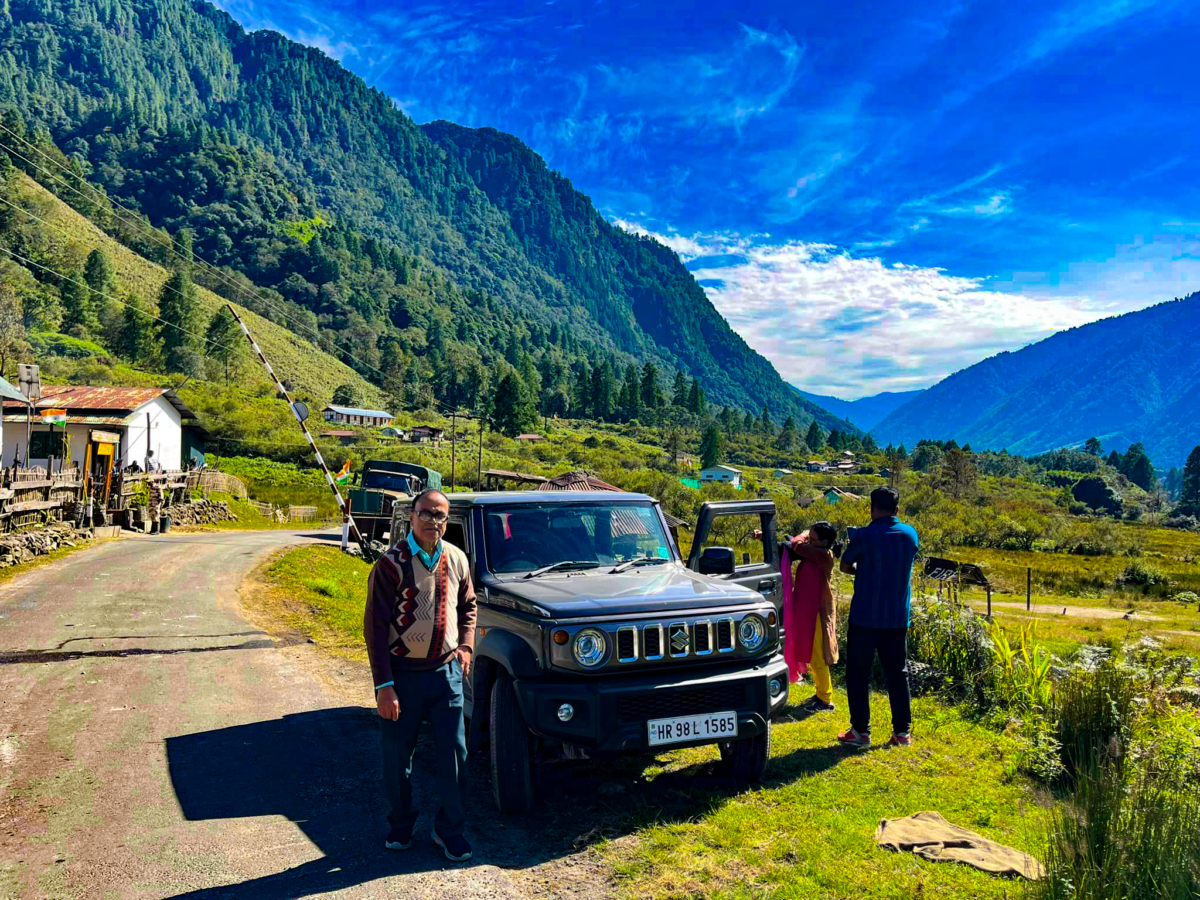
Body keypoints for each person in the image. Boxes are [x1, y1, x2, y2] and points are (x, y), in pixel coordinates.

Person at [363, 489, 477, 862]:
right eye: (426, 514)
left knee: (455, 755)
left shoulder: (457, 559)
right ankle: (400, 823)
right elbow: (375, 628)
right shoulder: (391, 564)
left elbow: (469, 606)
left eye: (441, 516)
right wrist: (384, 685)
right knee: (397, 757)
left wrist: (466, 647)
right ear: (412, 517)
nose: (433, 522)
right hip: (402, 677)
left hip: (446, 674)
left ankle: (449, 830)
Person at [837, 487, 920, 748]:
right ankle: (902, 733)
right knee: (898, 673)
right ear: (897, 509)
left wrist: (862, 569)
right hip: (896, 618)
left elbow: (844, 565)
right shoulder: (910, 535)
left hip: (864, 616)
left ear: (872, 508)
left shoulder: (863, 535)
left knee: (858, 674)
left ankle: (860, 732)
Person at [782, 522, 842, 712]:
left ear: (825, 542)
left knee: (818, 658)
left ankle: (825, 700)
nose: (809, 541)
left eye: (813, 539)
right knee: (812, 656)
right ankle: (821, 694)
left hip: (817, 613)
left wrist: (800, 537)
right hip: (809, 611)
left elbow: (797, 545)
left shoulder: (823, 554)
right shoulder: (815, 551)